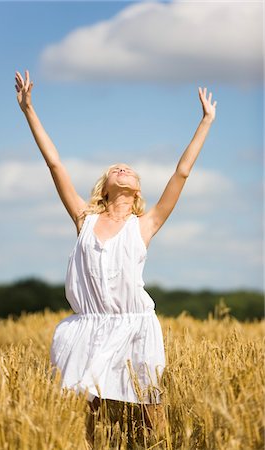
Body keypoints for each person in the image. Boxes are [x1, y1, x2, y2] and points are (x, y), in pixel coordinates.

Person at [15, 69, 217, 445]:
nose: (121, 168)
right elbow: (55, 165)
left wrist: (206, 121)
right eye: (114, 169)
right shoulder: (84, 219)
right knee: (80, 416)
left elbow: (182, 172)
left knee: (149, 412)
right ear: (104, 188)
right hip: (88, 326)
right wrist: (29, 110)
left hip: (136, 326)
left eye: (129, 170)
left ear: (137, 189)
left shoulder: (145, 224)